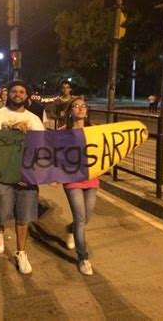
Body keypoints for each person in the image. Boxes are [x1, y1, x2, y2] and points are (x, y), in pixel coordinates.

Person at [0, 80, 45, 274]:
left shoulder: (34, 119)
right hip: (4, 172)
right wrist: (11, 132)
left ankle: (21, 253)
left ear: (26, 95)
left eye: (21, 91)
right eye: (14, 91)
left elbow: (41, 148)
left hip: (27, 175)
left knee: (24, 215)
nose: (17, 94)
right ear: (8, 94)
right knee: (1, 208)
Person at [60, 96, 98, 276]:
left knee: (86, 218)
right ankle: (83, 258)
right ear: (70, 112)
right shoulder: (62, 133)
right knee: (81, 219)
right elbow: (53, 156)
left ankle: (70, 229)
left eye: (83, 106)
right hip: (72, 180)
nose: (80, 109)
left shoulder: (94, 131)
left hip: (91, 179)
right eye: (76, 106)